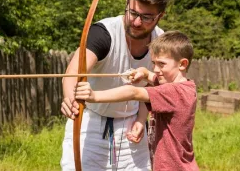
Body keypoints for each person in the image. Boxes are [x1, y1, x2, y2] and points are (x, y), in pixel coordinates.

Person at [60, 0, 169, 170]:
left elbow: (155, 88)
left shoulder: (161, 42)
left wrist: (140, 119)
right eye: (133, 12)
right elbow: (73, 73)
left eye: (146, 17)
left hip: (132, 127)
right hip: (90, 122)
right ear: (126, 4)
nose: (136, 22)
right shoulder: (104, 33)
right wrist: (71, 99)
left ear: (160, 16)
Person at [75, 31, 199, 171]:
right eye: (154, 63)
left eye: (161, 64)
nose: (156, 69)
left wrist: (94, 96)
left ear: (182, 64)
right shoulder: (180, 86)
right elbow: (151, 76)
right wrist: (143, 73)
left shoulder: (175, 92)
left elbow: (133, 92)